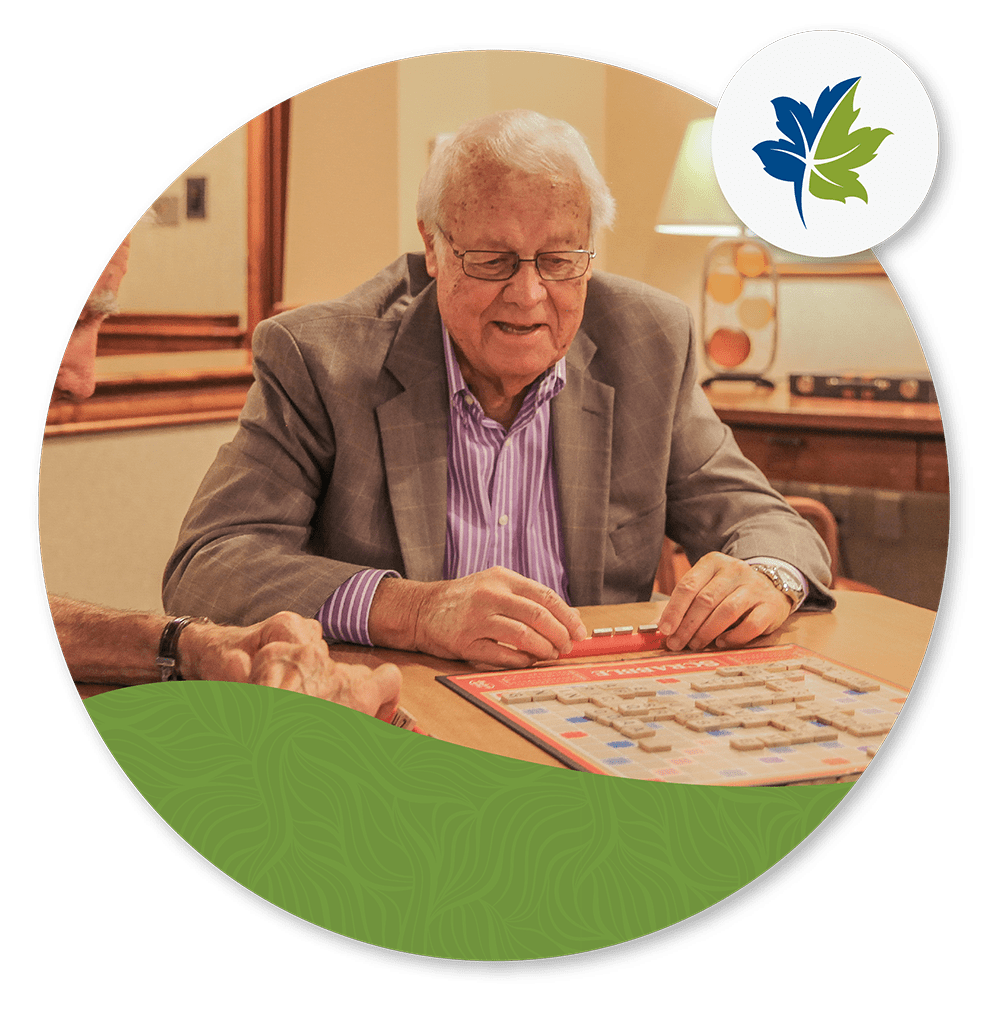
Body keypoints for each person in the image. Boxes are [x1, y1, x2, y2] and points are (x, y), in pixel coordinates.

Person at [163, 109, 834, 671]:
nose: (529, 294)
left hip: (594, 708)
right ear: (433, 248)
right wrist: (418, 611)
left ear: (590, 251)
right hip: (406, 718)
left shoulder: (648, 342)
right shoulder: (321, 359)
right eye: (492, 260)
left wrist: (768, 575)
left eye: (560, 258)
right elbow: (209, 565)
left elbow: (766, 520)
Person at [46, 236, 401, 720]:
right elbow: (210, 561)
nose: (83, 382)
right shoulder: (317, 353)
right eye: (76, 314)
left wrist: (190, 645)